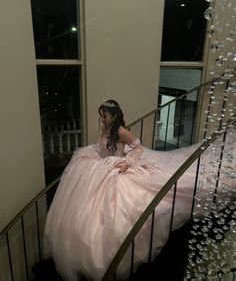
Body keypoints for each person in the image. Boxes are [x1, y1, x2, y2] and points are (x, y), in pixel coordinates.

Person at [43, 99, 201, 281]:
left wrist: (127, 162)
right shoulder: (106, 129)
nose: (102, 118)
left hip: (119, 166)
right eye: (101, 115)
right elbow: (105, 148)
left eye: (105, 115)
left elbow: (138, 147)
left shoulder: (120, 131)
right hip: (106, 164)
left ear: (114, 116)